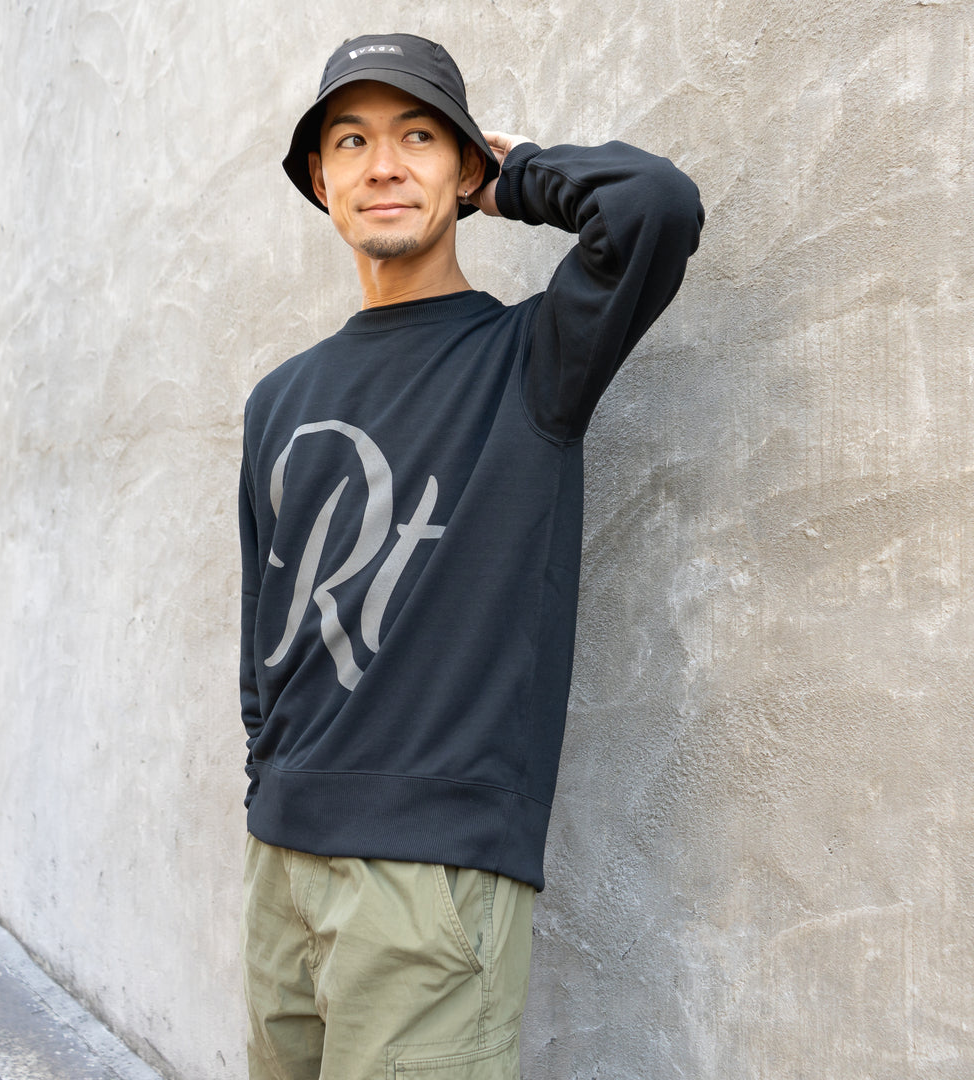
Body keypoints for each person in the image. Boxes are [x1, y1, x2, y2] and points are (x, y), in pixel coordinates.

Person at [238, 32, 704, 1080]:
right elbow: (263, 629)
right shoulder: (279, 398)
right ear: (320, 179)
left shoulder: (532, 360)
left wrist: (515, 178)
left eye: (418, 136)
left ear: (463, 167)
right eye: (351, 141)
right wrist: (268, 784)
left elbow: (654, 207)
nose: (383, 165)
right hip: (281, 863)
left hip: (431, 880)